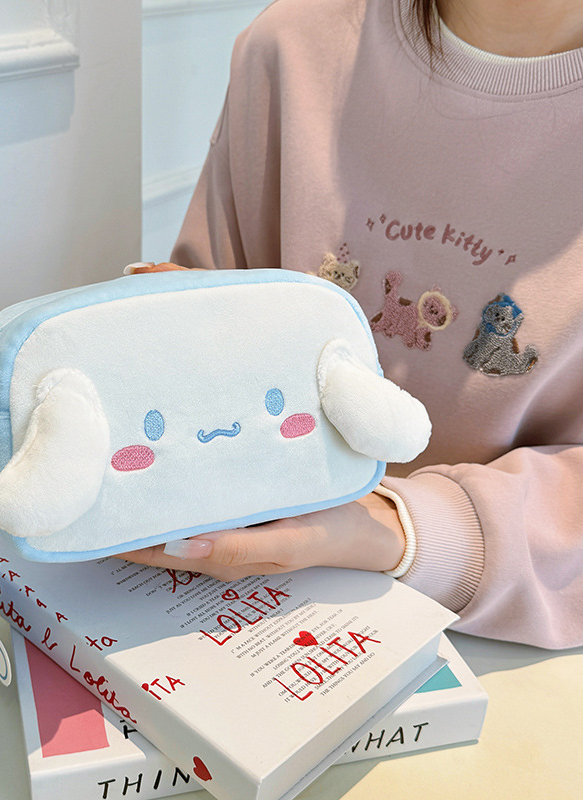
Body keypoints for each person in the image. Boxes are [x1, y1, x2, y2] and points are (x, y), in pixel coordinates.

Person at [118, 0, 583, 650]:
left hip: (512, 649)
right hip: (242, 612)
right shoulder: (291, 47)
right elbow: (205, 363)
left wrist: (402, 526)